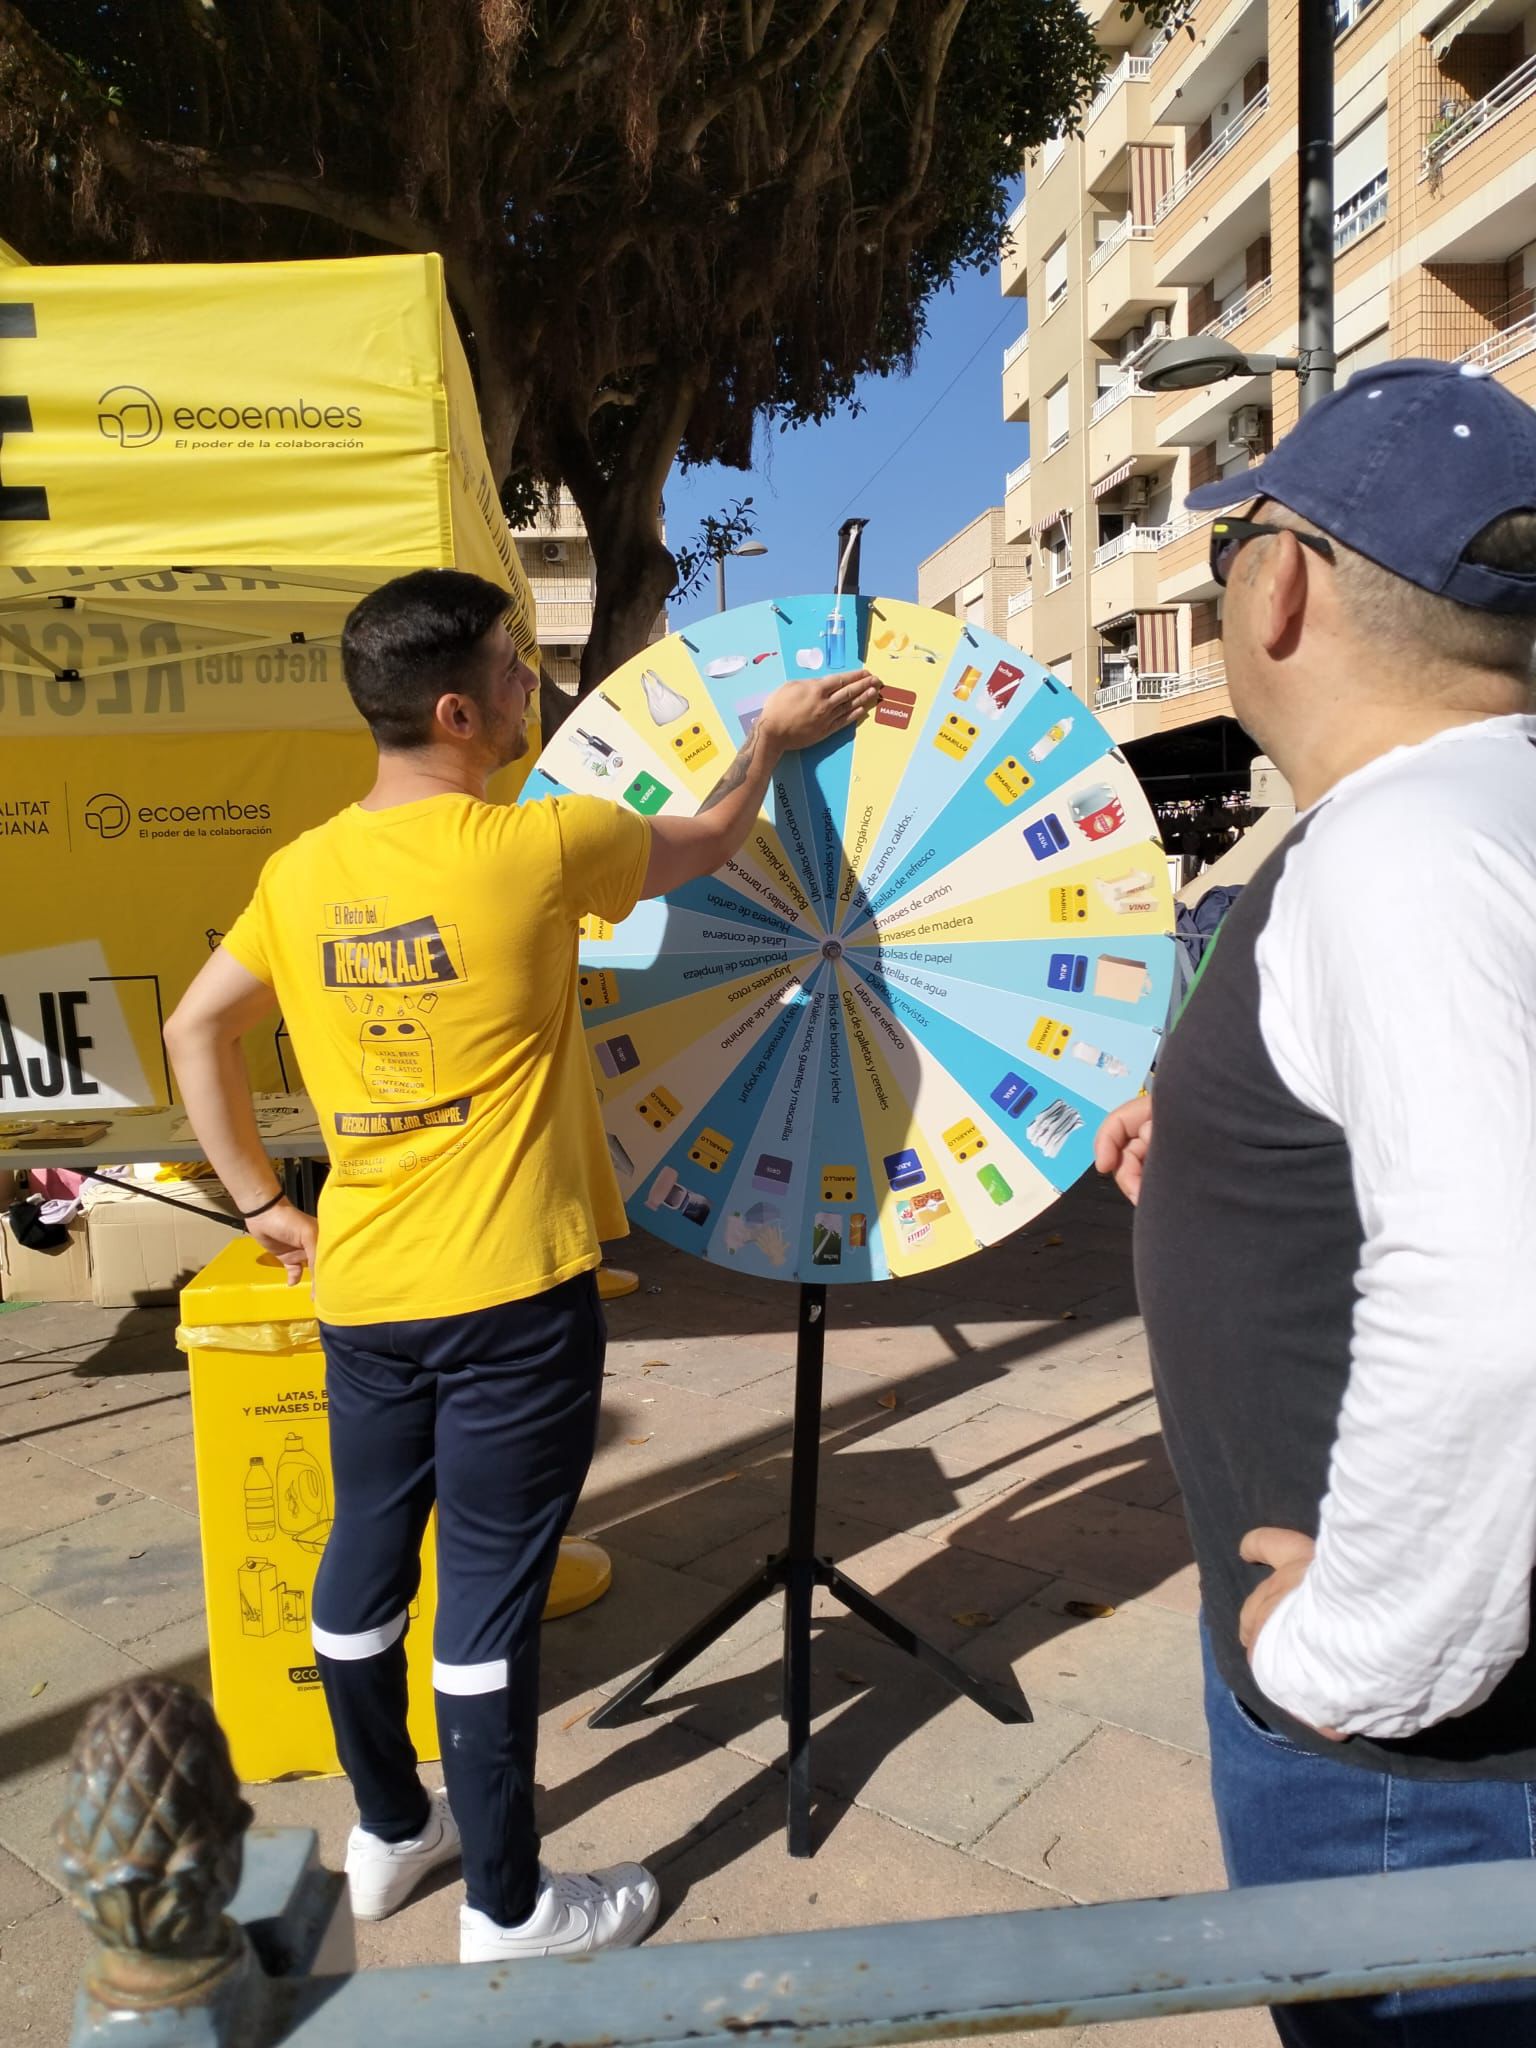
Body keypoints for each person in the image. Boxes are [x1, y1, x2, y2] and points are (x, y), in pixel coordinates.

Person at [165, 568, 878, 1964]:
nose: (529, 685)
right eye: (510, 667)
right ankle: (508, 1907)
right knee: (485, 1607)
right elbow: (712, 836)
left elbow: (199, 1030)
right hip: (508, 1296)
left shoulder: (299, 874)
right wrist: (769, 742)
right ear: (455, 711)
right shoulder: (544, 846)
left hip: (362, 1291)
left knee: (363, 1563)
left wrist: (260, 1204)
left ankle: (389, 1829)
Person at [1094, 359, 1536, 2045]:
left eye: (1230, 553)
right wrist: (1226, 1134)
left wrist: (1352, 1657)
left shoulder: (1408, 851)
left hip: (1416, 1778)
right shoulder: (1481, 817)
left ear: (1284, 584)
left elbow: (1503, 1311)